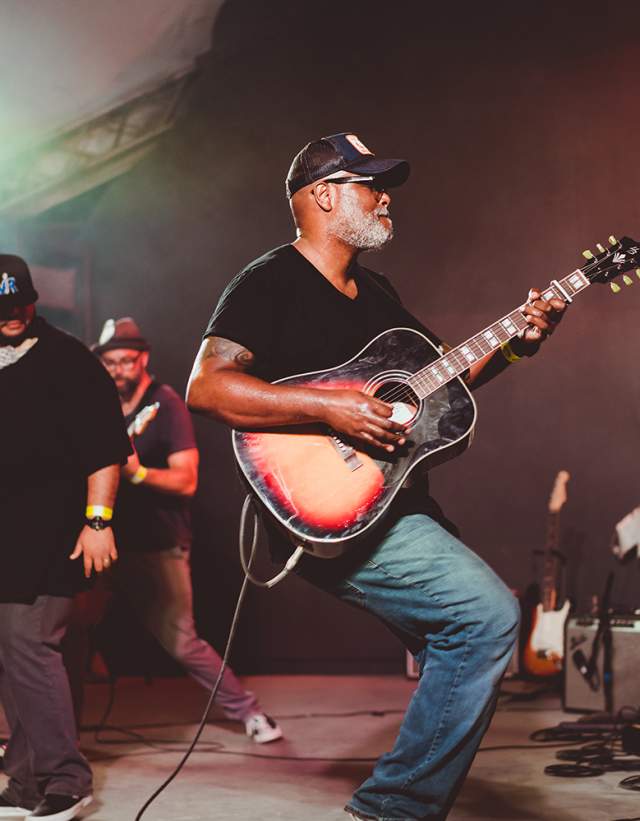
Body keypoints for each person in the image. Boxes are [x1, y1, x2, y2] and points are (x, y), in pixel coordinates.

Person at [185, 132, 568, 820]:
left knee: (462, 636)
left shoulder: (376, 291)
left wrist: (518, 339)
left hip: (391, 503)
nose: (385, 197)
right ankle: (392, 808)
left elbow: (449, 376)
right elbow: (208, 388)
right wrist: (328, 404)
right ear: (323, 196)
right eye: (369, 184)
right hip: (324, 506)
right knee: (483, 618)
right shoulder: (268, 280)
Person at [91, 317, 283, 743]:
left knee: (182, 642)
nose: (117, 369)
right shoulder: (100, 406)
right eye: (109, 363)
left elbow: (187, 480)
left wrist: (138, 475)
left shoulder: (166, 404)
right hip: (103, 539)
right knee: (64, 628)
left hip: (157, 544)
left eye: (125, 361)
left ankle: (250, 713)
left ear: (143, 359)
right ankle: (52, 732)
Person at [0, 255, 131, 820]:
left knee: (32, 647)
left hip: (56, 534)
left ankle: (66, 777)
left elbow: (107, 450)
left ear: (34, 300)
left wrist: (98, 520)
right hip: (5, 539)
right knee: (12, 655)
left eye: (20, 304)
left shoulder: (68, 359)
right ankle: (25, 779)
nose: (13, 316)